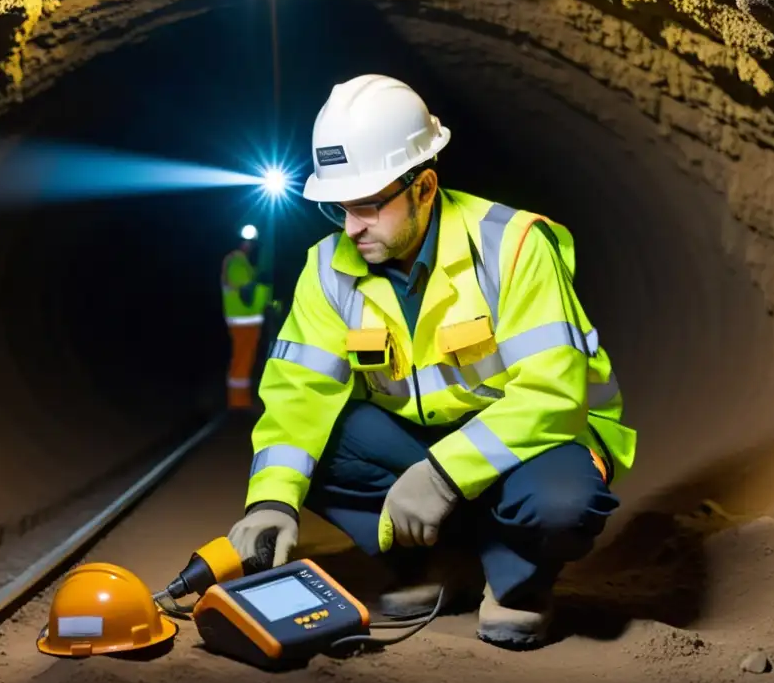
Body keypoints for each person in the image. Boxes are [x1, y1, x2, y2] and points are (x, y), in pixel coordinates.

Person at [226, 74, 637, 649]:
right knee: (314, 452)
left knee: (562, 503)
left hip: (537, 444)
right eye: (340, 207)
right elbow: (298, 395)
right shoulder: (327, 269)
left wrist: (444, 475)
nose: (352, 226)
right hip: (414, 442)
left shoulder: (512, 246)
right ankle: (440, 565)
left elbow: (553, 394)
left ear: (424, 187)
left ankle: (518, 582)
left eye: (369, 205)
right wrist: (271, 499)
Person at [220, 224, 271, 410]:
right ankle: (238, 402)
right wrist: (262, 287)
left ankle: (240, 400)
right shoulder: (237, 262)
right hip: (243, 319)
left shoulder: (240, 262)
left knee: (244, 359)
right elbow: (246, 289)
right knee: (242, 359)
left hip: (246, 319)